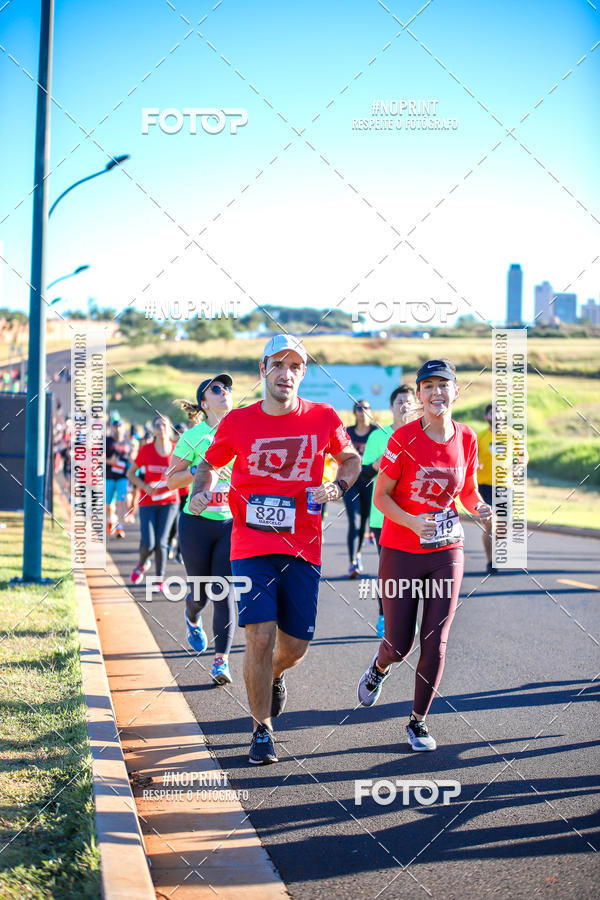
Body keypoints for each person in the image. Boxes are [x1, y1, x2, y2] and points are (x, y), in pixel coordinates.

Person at [188, 334, 361, 765]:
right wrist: (199, 490)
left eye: (296, 367)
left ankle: (276, 675)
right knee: (259, 636)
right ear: (263, 369)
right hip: (250, 543)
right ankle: (261, 729)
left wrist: (336, 486)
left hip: (304, 545)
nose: (287, 374)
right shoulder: (239, 422)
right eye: (278, 365)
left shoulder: (322, 417)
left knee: (295, 646)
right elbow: (210, 463)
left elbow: (350, 459)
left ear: (303, 373)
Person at [357, 359, 492, 751]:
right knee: (400, 645)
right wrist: (414, 524)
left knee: (436, 639)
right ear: (419, 394)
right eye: (428, 386)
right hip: (400, 548)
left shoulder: (467, 437)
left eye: (443, 385)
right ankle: (379, 667)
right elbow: (380, 497)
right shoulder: (403, 439)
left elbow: (466, 491)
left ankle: (417, 722)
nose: (436, 392)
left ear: (456, 391)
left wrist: (479, 507)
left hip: (447, 549)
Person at [167, 377, 237, 686]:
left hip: (229, 523)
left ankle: (221, 662)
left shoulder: (244, 433)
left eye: (228, 389)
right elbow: (171, 480)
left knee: (223, 590)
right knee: (201, 593)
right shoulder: (194, 437)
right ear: (204, 403)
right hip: (196, 524)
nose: (225, 394)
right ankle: (192, 615)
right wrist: (200, 470)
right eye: (217, 390)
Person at [362, 385, 418, 637]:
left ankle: (406, 618)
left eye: (408, 401)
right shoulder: (378, 437)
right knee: (388, 571)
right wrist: (380, 461)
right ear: (391, 406)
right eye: (399, 402)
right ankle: (385, 617)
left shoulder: (424, 435)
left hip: (415, 515)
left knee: (412, 571)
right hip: (383, 515)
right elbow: (363, 477)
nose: (404, 405)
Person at [126, 416, 180, 589]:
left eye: (164, 424)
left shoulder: (176, 450)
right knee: (148, 543)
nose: (161, 428)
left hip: (170, 502)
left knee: (162, 542)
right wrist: (143, 486)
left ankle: (159, 578)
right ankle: (142, 563)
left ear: (169, 428)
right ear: (154, 430)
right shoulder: (146, 450)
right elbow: (130, 473)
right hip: (148, 501)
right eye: (158, 425)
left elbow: (184, 474)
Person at [477, 403, 528, 575]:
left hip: (505, 486)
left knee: (503, 527)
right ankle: (491, 562)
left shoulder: (513, 435)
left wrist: (519, 467)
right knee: (490, 523)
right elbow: (471, 458)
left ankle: (494, 547)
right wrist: (475, 464)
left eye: (499, 413)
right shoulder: (480, 437)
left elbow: (523, 456)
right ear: (487, 417)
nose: (497, 415)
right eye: (493, 413)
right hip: (484, 486)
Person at [344, 400, 379, 578]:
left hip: (370, 483)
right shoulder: (348, 432)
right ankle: (353, 561)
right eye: (359, 408)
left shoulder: (376, 432)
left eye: (366, 407)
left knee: (364, 521)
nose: (362, 411)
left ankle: (358, 553)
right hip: (351, 483)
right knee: (354, 522)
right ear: (355, 412)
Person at [106, 418, 132, 538]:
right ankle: (111, 519)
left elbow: (131, 456)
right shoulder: (107, 441)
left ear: (123, 428)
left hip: (123, 476)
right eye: (115, 426)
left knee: (121, 501)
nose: (117, 429)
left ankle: (120, 527)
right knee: (108, 504)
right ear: (112, 428)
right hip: (109, 476)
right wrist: (109, 461)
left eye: (120, 426)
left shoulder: (127, 442)